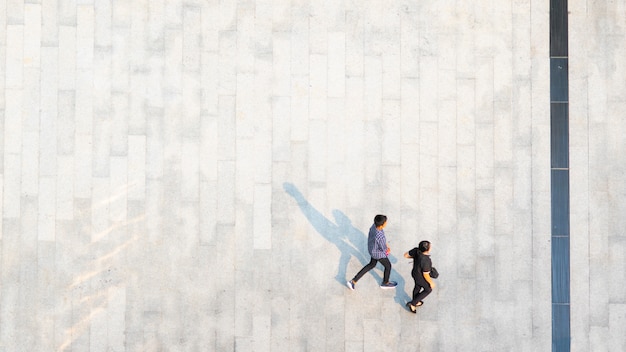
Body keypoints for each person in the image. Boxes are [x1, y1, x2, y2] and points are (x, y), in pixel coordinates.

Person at [347, 215, 397, 290]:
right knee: (388, 266)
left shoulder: (374, 226)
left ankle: (353, 281)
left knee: (371, 265)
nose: (386, 223)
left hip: (372, 250)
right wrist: (387, 249)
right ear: (381, 225)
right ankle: (385, 283)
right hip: (378, 254)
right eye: (385, 222)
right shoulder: (381, 237)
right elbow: (383, 248)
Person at [404, 240, 435, 313]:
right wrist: (431, 282)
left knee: (417, 286)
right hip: (420, 277)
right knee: (428, 289)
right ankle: (413, 303)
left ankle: (415, 301)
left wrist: (415, 258)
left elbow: (405, 255)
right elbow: (426, 274)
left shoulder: (416, 250)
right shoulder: (426, 260)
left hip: (414, 273)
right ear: (427, 249)